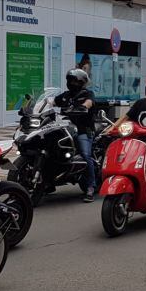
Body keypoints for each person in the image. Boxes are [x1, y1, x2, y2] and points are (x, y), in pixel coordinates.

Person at [54, 69, 97, 202]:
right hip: (67, 129)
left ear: (80, 82)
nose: (70, 83)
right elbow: (52, 102)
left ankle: (90, 186)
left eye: (73, 80)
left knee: (85, 155)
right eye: (69, 80)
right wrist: (38, 106)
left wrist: (84, 106)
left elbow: (89, 102)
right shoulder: (66, 95)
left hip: (83, 130)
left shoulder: (87, 94)